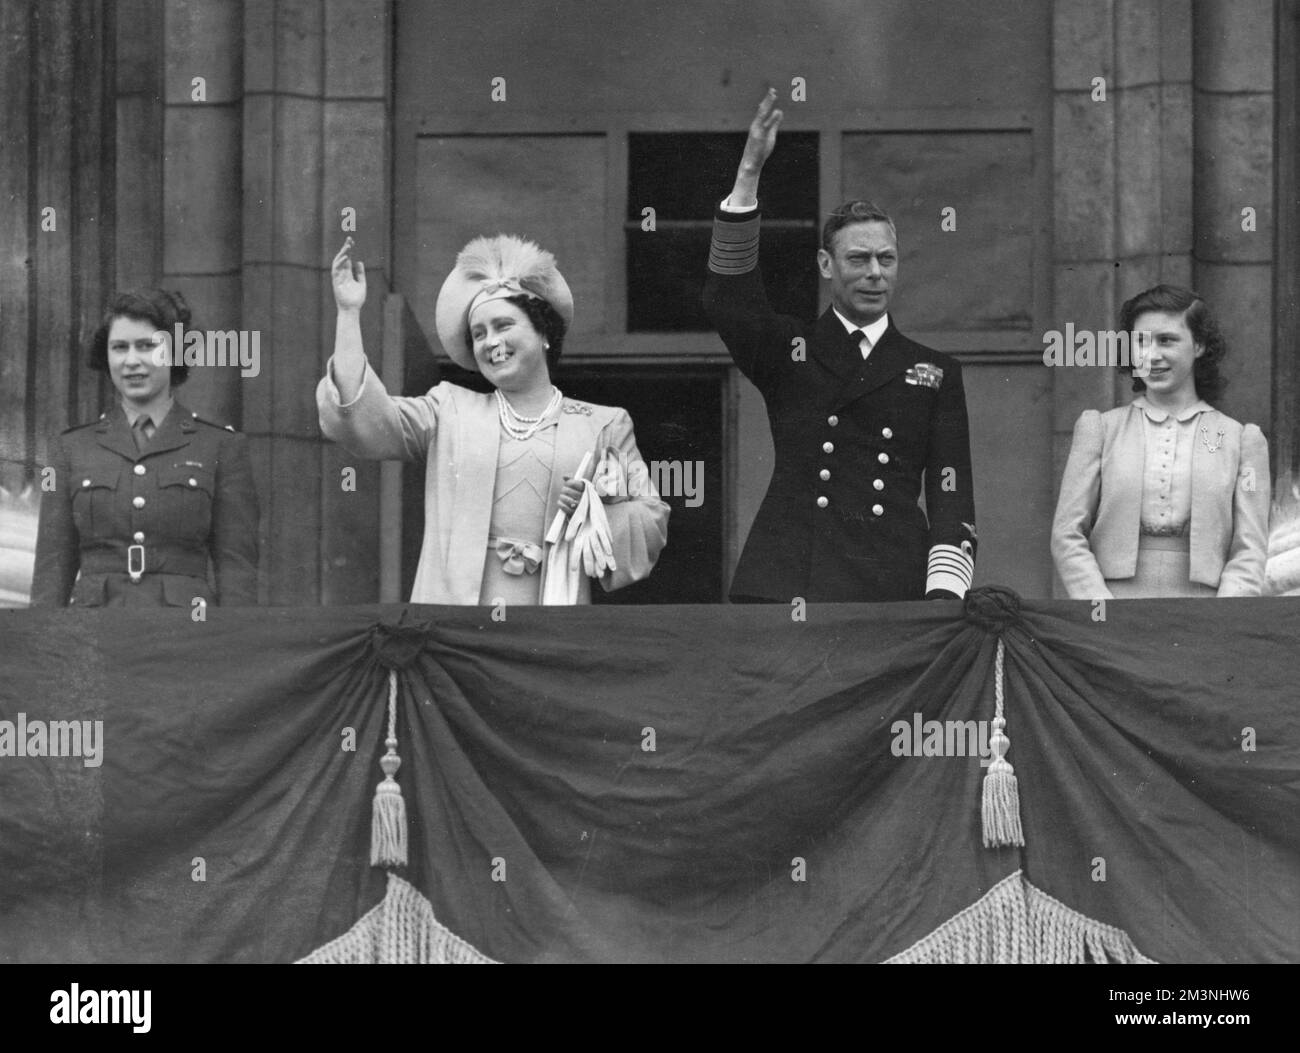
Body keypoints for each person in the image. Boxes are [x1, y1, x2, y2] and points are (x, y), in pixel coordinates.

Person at [703, 89, 977, 603]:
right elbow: (730, 301)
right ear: (827, 266)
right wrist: (748, 175)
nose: (875, 273)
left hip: (891, 580)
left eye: (886, 259)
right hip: (791, 578)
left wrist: (944, 595)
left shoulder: (934, 370)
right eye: (858, 259)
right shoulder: (791, 349)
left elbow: (949, 488)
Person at [317, 236, 668, 604]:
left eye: (503, 325)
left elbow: (649, 521)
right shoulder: (449, 409)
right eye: (479, 334)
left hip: (551, 628)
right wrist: (348, 313)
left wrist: (593, 510)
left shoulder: (603, 425)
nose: (490, 342)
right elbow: (364, 420)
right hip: (456, 629)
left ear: (543, 331)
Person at [31, 289, 260, 607]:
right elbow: (50, 573)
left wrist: (231, 651)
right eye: (119, 347)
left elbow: (237, 573)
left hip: (184, 636)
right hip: (95, 637)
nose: (131, 361)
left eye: (147, 346)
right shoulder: (69, 449)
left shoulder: (221, 447)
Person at [1052, 284, 1270, 598]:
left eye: (1166, 340)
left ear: (1199, 345)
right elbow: (1066, 534)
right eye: (1140, 342)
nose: (1151, 356)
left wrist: (1222, 618)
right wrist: (1099, 607)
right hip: (1111, 607)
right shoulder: (1099, 429)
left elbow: (1250, 549)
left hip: (1204, 613)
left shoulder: (1241, 440)